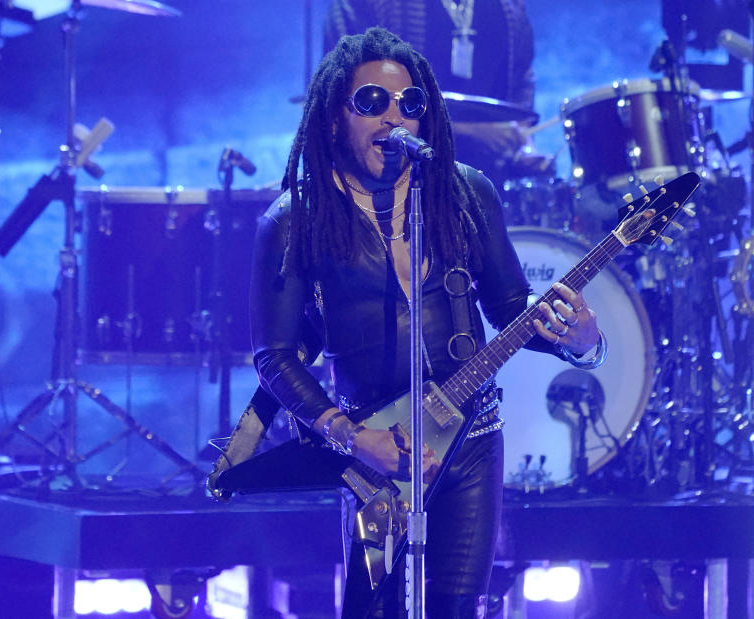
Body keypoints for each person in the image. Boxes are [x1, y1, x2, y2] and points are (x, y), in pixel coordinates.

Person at [250, 27, 606, 618]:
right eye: (372, 103)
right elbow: (274, 356)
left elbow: (511, 307)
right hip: (371, 442)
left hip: (470, 439)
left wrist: (581, 344)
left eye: (410, 105)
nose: (394, 118)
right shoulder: (296, 218)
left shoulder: (467, 195)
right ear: (336, 116)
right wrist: (352, 437)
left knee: (457, 609)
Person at [323, 0, 550, 189]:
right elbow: (358, 94)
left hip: (486, 178)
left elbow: (522, 78)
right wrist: (471, 131)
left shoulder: (509, 6)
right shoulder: (371, 4)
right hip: (394, 179)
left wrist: (523, 143)